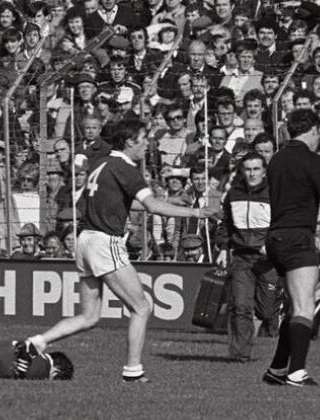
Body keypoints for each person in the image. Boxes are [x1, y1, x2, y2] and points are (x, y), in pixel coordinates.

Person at [14, 119, 212, 383]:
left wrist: (168, 200)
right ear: (130, 141)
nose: (147, 144)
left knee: (89, 316)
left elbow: (125, 202)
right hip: (105, 242)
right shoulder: (126, 168)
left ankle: (35, 343)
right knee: (141, 307)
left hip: (85, 239)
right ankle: (133, 371)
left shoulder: (103, 164)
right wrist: (197, 212)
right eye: (143, 138)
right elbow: (151, 206)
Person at [261, 109, 320, 387]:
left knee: (294, 307)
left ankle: (277, 368)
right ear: (313, 131)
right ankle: (297, 372)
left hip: (275, 237)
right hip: (298, 238)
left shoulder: (277, 159)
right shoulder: (312, 160)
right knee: (305, 306)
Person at [215, 151, 280, 362]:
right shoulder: (234, 193)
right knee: (240, 308)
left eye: (256, 169)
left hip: (268, 260)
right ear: (242, 171)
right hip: (242, 258)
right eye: (248, 169)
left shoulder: (275, 193)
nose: (252, 173)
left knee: (267, 311)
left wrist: (272, 245)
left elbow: (282, 223)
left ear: (264, 171)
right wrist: (223, 249)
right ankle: (239, 355)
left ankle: (268, 319)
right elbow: (226, 224)